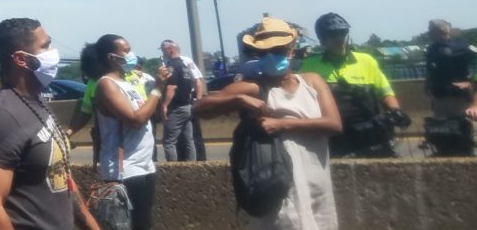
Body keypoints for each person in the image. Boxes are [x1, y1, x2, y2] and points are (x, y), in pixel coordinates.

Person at [195, 16, 342, 230]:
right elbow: (200, 108)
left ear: (291, 50)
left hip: (317, 187)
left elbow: (334, 124)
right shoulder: (253, 87)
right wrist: (238, 99)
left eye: (279, 50)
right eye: (264, 53)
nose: (272, 57)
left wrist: (282, 125)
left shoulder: (312, 81)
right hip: (279, 192)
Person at [0, 18, 98, 230]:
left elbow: (62, 175)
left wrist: (90, 224)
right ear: (22, 59)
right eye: (45, 45)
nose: (53, 52)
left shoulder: (36, 101)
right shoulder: (1, 116)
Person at [300, 12, 408, 157]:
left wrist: (395, 111)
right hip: (334, 136)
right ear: (322, 40)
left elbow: (385, 92)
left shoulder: (366, 61)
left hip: (368, 133)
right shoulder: (310, 65)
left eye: (342, 34)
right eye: (333, 35)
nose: (339, 39)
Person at [93, 34, 164, 230]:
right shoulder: (107, 84)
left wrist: (156, 90)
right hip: (124, 168)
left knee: (144, 222)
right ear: (111, 57)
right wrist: (157, 90)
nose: (131, 54)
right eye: (125, 50)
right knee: (128, 225)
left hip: (145, 163)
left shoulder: (131, 83)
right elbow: (136, 120)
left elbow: (150, 113)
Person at [424, 19, 477, 120]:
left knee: (460, 130)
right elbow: (431, 69)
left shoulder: (461, 46)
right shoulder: (431, 49)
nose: (428, 33)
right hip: (439, 98)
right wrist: (427, 84)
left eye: (431, 30)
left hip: (458, 98)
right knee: (441, 131)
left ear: (440, 30)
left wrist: (469, 81)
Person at [158, 40, 196, 161]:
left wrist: (164, 105)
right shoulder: (184, 66)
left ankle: (173, 168)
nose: (163, 54)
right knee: (188, 140)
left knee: (169, 142)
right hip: (187, 105)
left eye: (164, 51)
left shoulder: (172, 66)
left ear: (171, 50)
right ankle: (192, 167)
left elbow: (171, 87)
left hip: (176, 108)